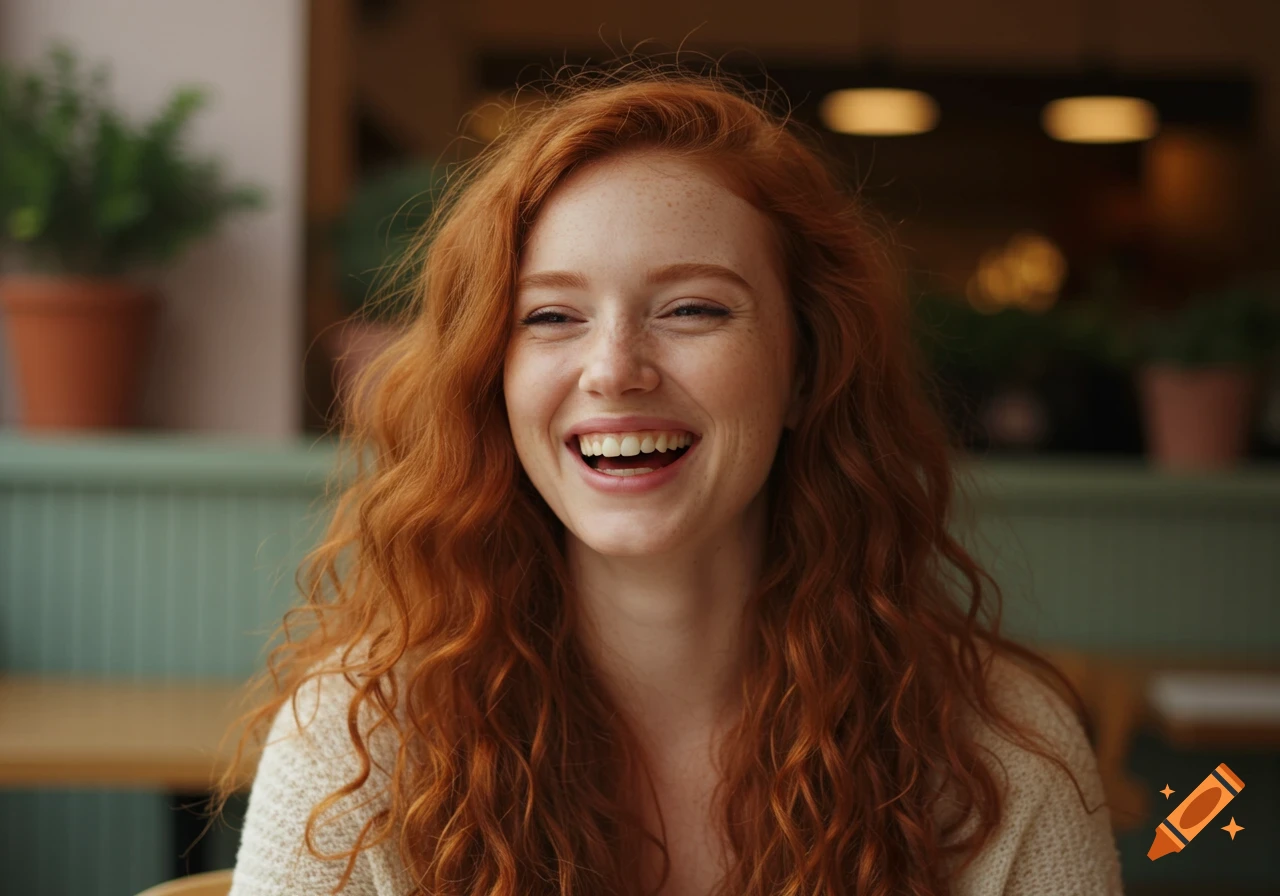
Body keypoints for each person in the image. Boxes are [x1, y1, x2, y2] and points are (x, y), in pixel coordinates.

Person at [218, 64, 1125, 896]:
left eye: (693, 308)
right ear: (490, 376)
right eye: (552, 315)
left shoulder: (1001, 755)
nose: (614, 369)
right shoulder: (357, 744)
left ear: (808, 368)